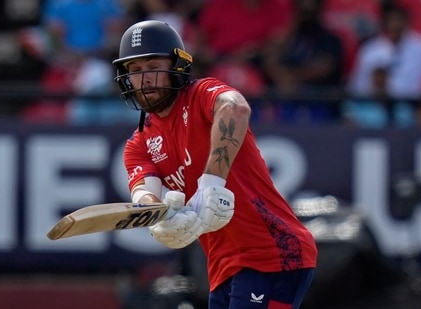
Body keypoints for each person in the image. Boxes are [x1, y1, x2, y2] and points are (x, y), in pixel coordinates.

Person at [112, 20, 317, 308]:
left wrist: (211, 182)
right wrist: (160, 217)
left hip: (273, 252)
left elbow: (236, 108)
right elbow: (146, 193)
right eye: (135, 71)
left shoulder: (200, 95)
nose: (144, 79)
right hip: (222, 267)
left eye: (152, 66)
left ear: (176, 66)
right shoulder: (138, 144)